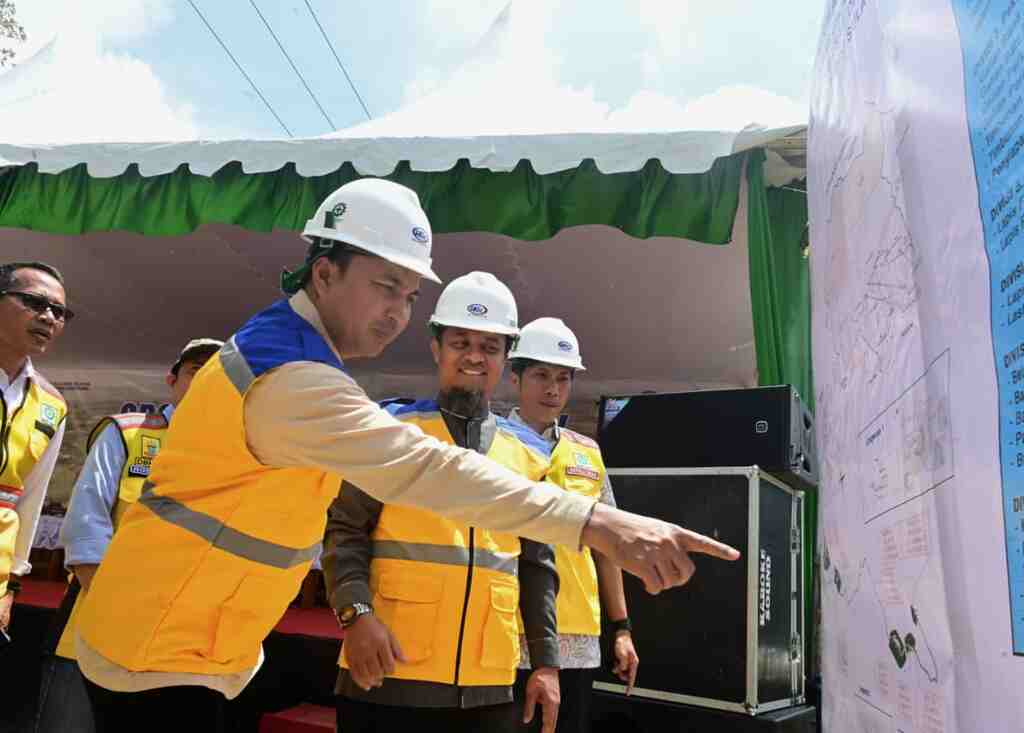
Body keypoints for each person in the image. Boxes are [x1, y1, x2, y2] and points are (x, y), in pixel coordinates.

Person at [72, 178, 739, 729]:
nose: (397, 312)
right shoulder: (294, 380)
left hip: (196, 640)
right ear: (325, 272)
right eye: (385, 286)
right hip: (162, 648)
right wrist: (600, 522)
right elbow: (419, 475)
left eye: (410, 295)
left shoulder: (290, 351)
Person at [324, 272, 562, 733]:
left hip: (489, 687)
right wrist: (355, 615)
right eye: (461, 342)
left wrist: (546, 662)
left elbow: (537, 565)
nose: (474, 356)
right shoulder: (390, 434)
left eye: (490, 346)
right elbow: (344, 532)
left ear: (505, 358)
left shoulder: (529, 457)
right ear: (436, 349)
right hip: (388, 674)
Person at [34, 338, 222, 733]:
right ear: (172, 379)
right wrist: (112, 609)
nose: (206, 379)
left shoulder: (232, 454)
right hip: (96, 619)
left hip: (177, 642)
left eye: (219, 372)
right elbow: (88, 519)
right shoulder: (130, 433)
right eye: (195, 371)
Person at [509, 318, 638, 733]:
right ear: (516, 377)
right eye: (541, 375)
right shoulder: (491, 444)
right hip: (507, 637)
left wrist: (621, 628)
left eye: (563, 379)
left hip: (579, 640)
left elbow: (608, 548)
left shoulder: (588, 453)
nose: (553, 389)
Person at [0, 261, 72, 638]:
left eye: (59, 312)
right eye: (34, 302)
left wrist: (10, 586)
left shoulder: (52, 404)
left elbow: (29, 499)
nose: (49, 317)